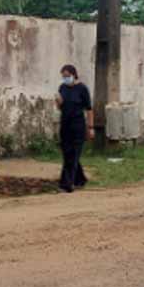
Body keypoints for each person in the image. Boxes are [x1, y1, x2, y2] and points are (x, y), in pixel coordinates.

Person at [55, 65, 94, 194]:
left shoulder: (82, 89)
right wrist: (58, 102)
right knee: (67, 153)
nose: (65, 78)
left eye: (67, 76)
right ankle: (80, 179)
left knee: (73, 154)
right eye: (63, 76)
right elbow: (60, 107)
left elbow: (89, 109)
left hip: (78, 126)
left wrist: (90, 128)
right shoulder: (62, 88)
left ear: (74, 74)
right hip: (65, 125)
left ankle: (66, 184)